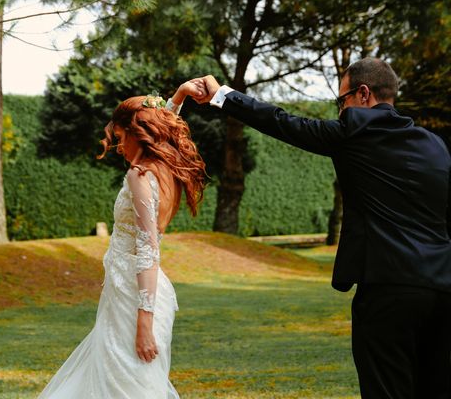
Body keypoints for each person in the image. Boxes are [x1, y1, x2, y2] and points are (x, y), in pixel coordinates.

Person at [183, 57, 451, 399]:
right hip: (442, 291)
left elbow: (281, 122)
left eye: (342, 100)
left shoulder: (355, 131)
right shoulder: (436, 146)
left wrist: (222, 94)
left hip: (388, 289)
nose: (341, 109)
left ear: (364, 94)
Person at [38, 83, 207, 398]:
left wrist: (144, 320)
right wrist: (179, 97)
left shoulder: (140, 176)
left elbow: (147, 251)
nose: (118, 146)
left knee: (126, 387)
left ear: (138, 133)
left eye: (120, 137)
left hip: (135, 298)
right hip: (132, 293)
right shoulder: (165, 169)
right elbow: (163, 125)